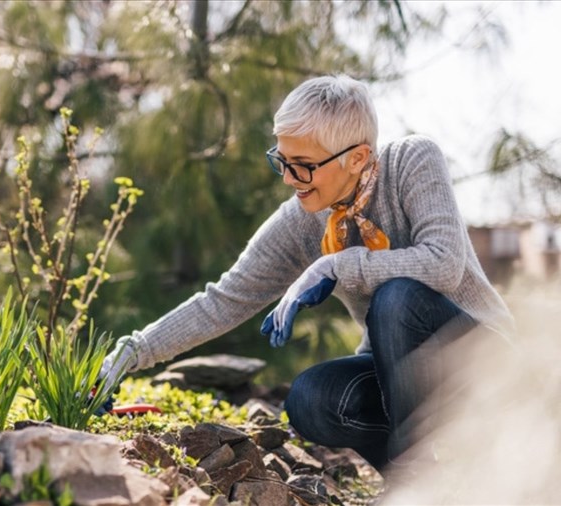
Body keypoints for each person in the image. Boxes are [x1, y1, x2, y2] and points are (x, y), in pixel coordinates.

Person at [97, 75, 514, 474]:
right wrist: (132, 353)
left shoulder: (412, 161)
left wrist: (337, 264)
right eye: (281, 161)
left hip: (483, 363)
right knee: (311, 399)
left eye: (303, 165)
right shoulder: (302, 220)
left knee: (396, 296)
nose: (290, 180)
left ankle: (415, 475)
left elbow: (442, 263)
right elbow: (224, 299)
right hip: (400, 382)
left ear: (358, 158)